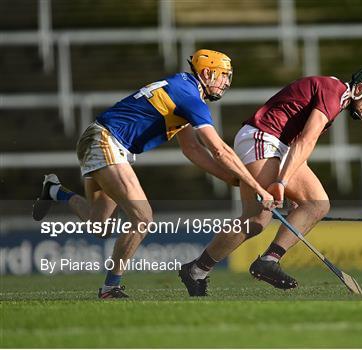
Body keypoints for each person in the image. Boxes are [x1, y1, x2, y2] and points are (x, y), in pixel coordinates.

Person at [32, 49, 276, 299]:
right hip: (105, 141)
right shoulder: (189, 97)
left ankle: (54, 191)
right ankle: (109, 288)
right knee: (143, 218)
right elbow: (219, 150)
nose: (226, 82)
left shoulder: (183, 87)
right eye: (223, 76)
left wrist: (229, 178)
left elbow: (191, 148)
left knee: (100, 225)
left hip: (102, 141)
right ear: (206, 72)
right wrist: (256, 186)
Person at [180, 67, 362, 296]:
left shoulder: (336, 96)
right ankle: (197, 270)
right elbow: (305, 142)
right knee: (257, 218)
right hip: (262, 136)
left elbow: (300, 143)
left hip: (279, 144)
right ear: (360, 88)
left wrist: (291, 188)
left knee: (317, 204)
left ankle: (267, 261)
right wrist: (282, 182)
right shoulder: (334, 92)